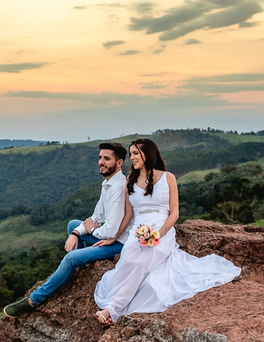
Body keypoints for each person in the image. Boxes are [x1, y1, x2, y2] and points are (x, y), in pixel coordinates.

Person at [93, 138, 241, 325]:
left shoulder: (167, 178)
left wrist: (160, 233)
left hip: (161, 232)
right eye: (131, 154)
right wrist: (113, 238)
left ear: (148, 153)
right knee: (128, 261)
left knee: (140, 265)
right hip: (138, 232)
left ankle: (111, 309)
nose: (132, 157)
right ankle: (115, 307)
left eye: (136, 153)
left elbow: (175, 212)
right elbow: (129, 215)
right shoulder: (130, 181)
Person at [3, 142, 128, 316]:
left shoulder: (118, 188)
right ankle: (80, 264)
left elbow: (111, 232)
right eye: (100, 157)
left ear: (119, 163)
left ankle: (33, 301)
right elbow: (95, 217)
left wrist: (90, 231)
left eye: (107, 159)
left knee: (70, 258)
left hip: (117, 244)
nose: (101, 162)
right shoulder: (107, 184)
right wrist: (77, 233)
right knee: (72, 224)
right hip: (104, 236)